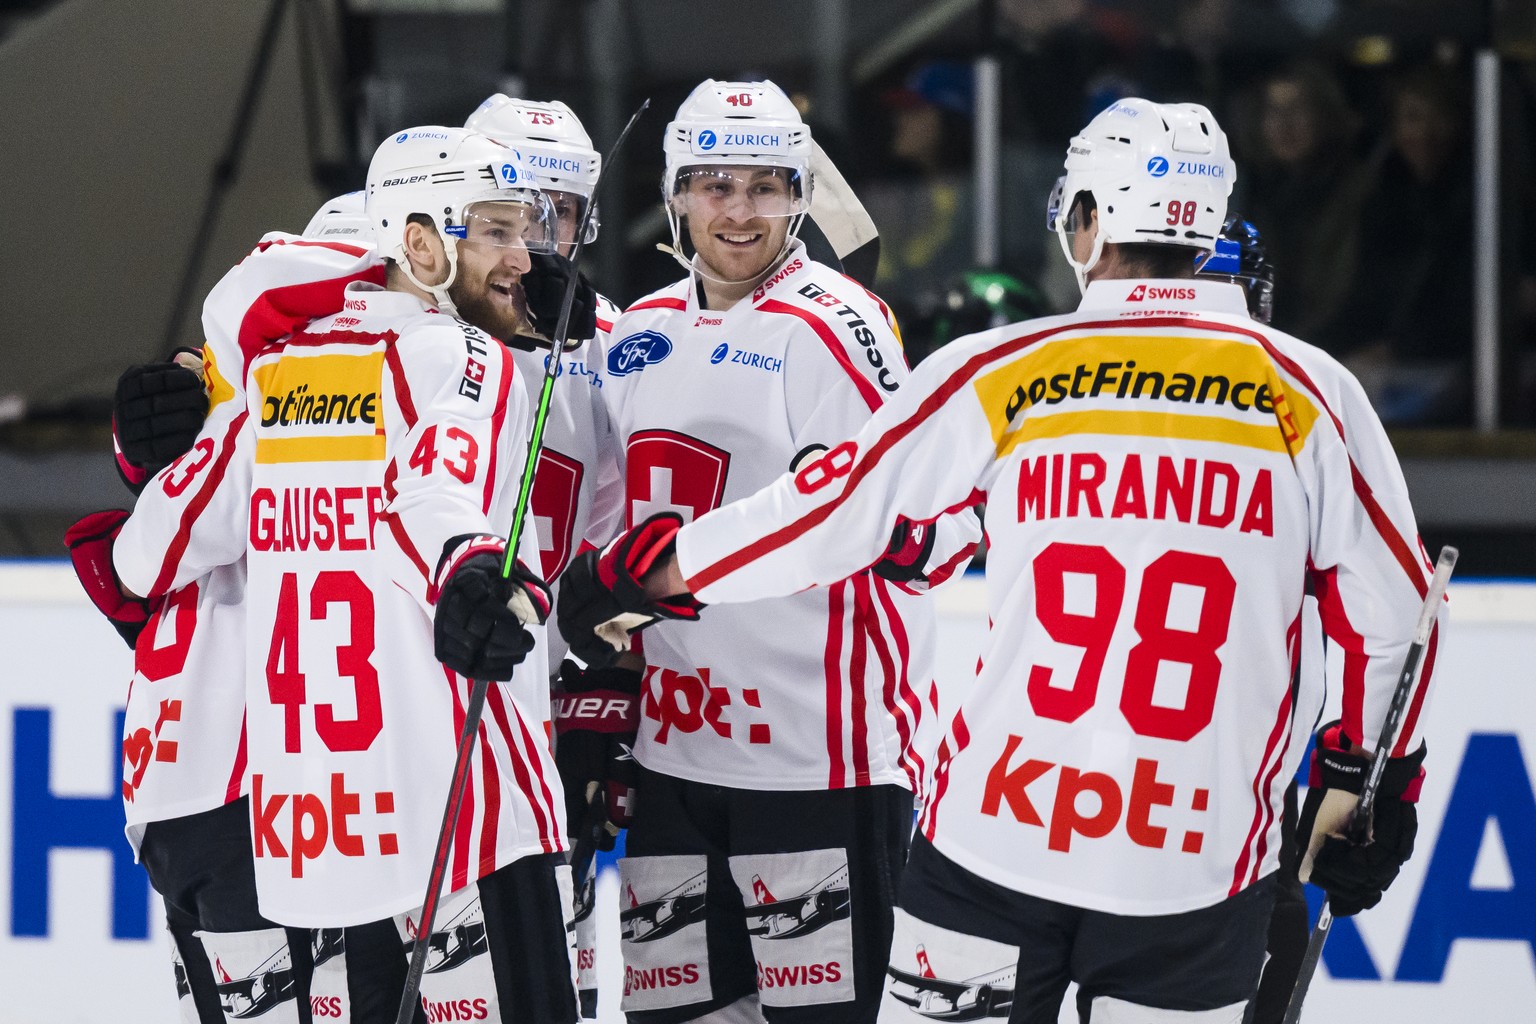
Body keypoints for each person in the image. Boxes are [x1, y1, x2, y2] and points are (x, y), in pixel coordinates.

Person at [561, 97, 1445, 1022]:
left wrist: (651, 571)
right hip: (1195, 862)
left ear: (1092, 216)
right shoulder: (1313, 396)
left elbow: (824, 513)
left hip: (992, 845)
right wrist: (1365, 788)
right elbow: (1397, 619)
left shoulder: (1008, 368)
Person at [109, 129, 581, 1024]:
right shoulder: (460, 355)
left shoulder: (282, 376)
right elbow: (433, 493)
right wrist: (470, 567)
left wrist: (182, 441)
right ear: (417, 243)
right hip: (463, 817)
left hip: (324, 846)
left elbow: (144, 557)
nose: (523, 255)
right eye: (493, 231)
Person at [555, 79, 979, 1024]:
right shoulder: (641, 335)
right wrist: (599, 705)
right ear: (675, 194)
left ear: (799, 191)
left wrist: (910, 532)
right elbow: (607, 537)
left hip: (815, 768)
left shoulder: (835, 322)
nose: (740, 211)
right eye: (715, 184)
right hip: (674, 762)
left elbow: (922, 522)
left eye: (766, 184)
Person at [65, 193, 386, 1024]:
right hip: (265, 793)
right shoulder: (285, 404)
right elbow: (140, 557)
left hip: (182, 789)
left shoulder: (235, 394)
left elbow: (133, 553)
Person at [465, 92, 627, 1021]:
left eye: (558, 212)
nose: (537, 240)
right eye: (513, 211)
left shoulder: (609, 349)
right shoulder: (390, 320)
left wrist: (596, 709)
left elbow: (613, 550)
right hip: (406, 728)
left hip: (534, 734)